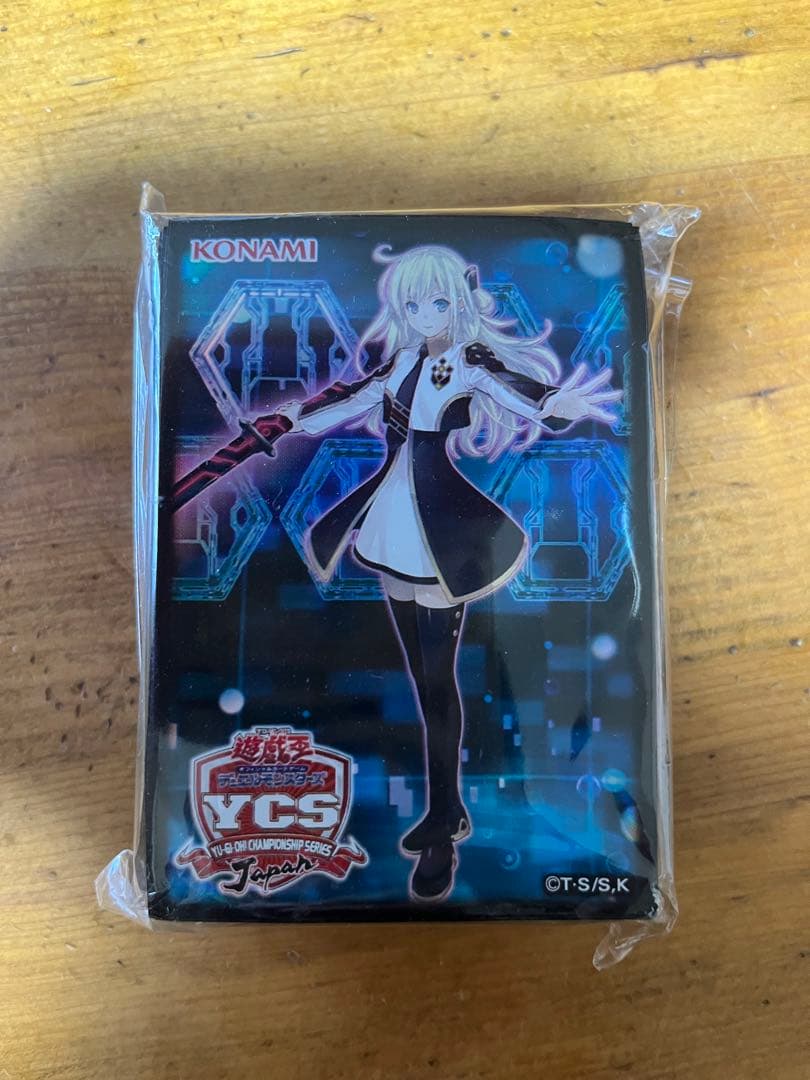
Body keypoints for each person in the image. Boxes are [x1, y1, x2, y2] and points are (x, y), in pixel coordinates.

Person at [275, 242, 621, 901]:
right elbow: (351, 399)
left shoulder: (467, 362)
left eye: (437, 301)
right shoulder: (404, 360)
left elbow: (517, 390)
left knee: (438, 683)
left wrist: (556, 403)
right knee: (423, 680)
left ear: (457, 301)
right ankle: (449, 809)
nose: (425, 313)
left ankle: (441, 824)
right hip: (393, 525)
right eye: (413, 304)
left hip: (441, 530)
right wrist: (290, 418)